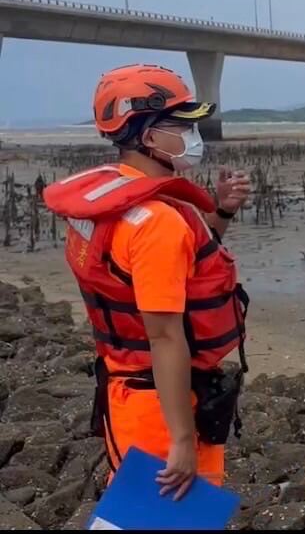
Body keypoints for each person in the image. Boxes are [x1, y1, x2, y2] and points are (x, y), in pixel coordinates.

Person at [42, 64, 252, 500]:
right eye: (183, 125)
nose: (194, 135)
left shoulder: (110, 203)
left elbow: (160, 268)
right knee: (172, 516)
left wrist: (221, 213)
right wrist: (181, 439)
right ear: (151, 137)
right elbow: (164, 336)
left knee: (135, 513)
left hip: (124, 390)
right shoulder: (157, 221)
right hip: (161, 405)